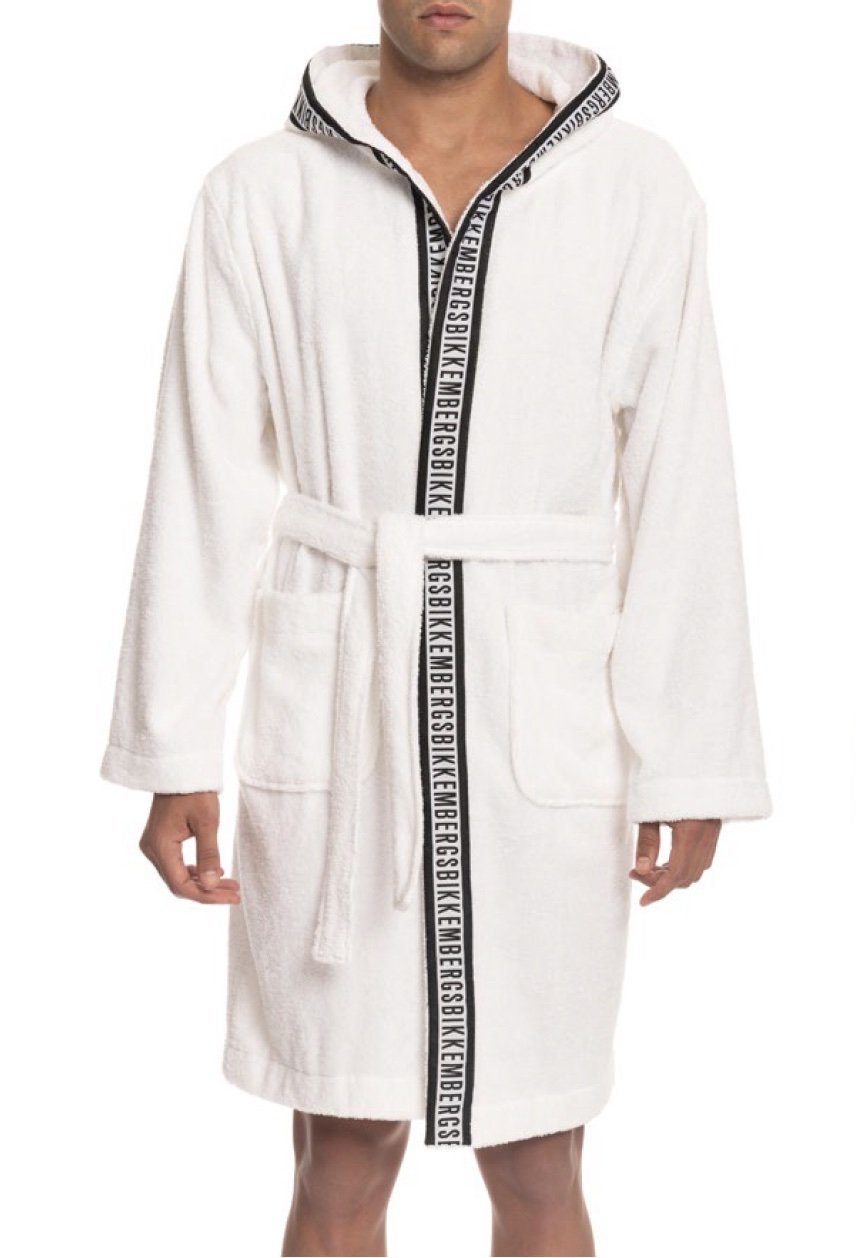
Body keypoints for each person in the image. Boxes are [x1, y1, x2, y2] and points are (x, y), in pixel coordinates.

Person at [101, 2, 772, 1253]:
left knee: (539, 1152)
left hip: (543, 722)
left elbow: (681, 476)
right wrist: (170, 744)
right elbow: (199, 475)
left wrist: (690, 754)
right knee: (341, 1152)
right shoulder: (261, 193)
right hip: (339, 716)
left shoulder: (634, 188)